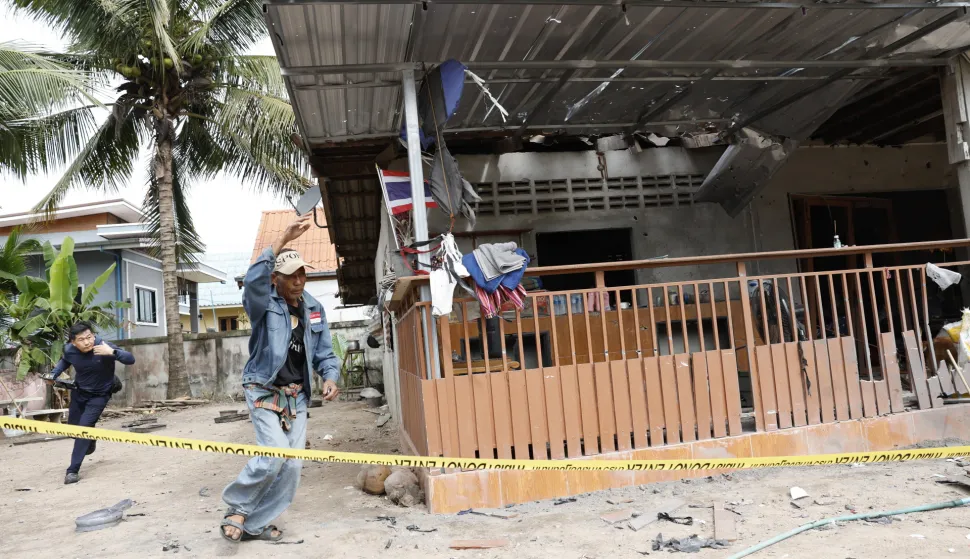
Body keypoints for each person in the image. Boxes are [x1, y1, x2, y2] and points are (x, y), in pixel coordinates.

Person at [220, 214, 341, 543]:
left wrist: (330, 376)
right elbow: (254, 279)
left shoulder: (314, 309)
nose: (298, 281)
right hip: (262, 388)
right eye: (290, 276)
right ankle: (237, 508)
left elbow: (325, 354)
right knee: (273, 454)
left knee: (292, 466)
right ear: (276, 279)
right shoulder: (262, 304)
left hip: (297, 396)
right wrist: (281, 239)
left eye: (302, 274)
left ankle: (255, 524)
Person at [47, 321, 136, 484]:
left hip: (100, 396)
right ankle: (91, 439)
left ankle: (72, 471)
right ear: (73, 342)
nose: (88, 342)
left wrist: (113, 352)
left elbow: (130, 359)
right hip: (79, 393)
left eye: (90, 337)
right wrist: (53, 374)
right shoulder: (69, 350)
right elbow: (65, 361)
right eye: (82, 339)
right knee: (74, 430)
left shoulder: (104, 346)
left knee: (82, 430)